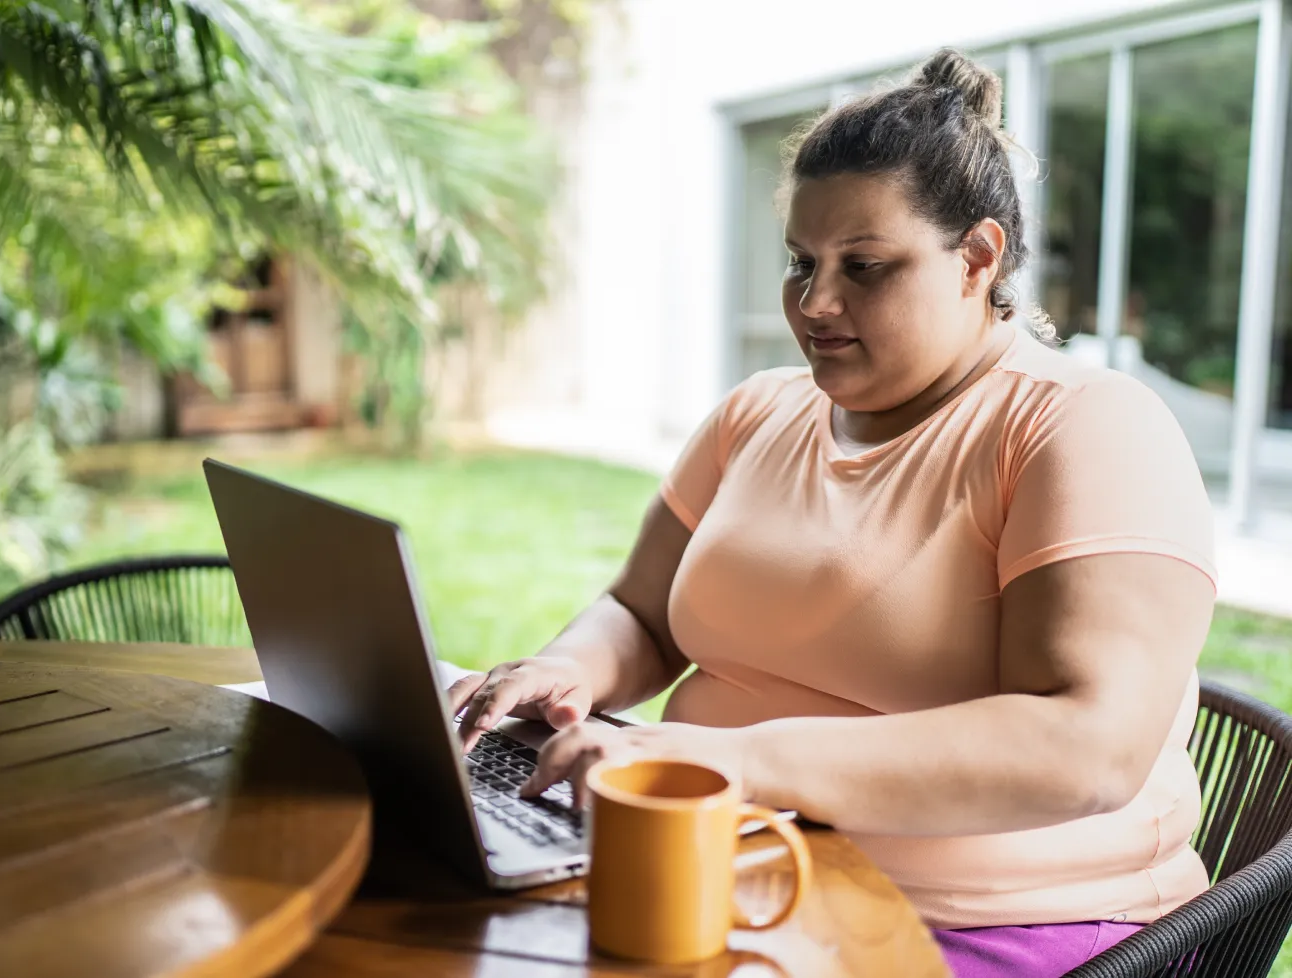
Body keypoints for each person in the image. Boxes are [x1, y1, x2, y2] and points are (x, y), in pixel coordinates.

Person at [449, 48, 1216, 978]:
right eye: (802, 263)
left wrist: (742, 761)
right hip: (741, 863)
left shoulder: (1081, 427)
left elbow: (1082, 752)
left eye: (866, 266)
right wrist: (567, 667)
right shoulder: (758, 412)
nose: (815, 303)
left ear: (978, 257)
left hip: (981, 925)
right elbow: (642, 615)